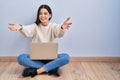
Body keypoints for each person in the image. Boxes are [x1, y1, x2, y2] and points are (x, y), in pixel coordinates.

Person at [9, 4, 72, 77]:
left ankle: (37, 71)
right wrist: (20, 27)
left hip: (51, 58)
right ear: (38, 15)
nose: (42, 16)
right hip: (36, 59)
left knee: (66, 57)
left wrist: (62, 27)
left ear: (50, 15)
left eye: (45, 13)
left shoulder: (53, 26)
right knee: (21, 58)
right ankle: (51, 68)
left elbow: (59, 33)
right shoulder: (35, 26)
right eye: (40, 13)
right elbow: (27, 30)